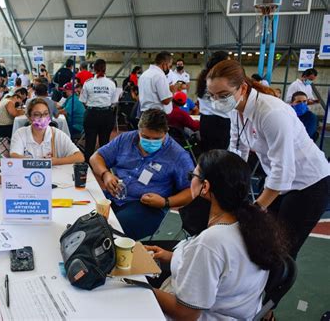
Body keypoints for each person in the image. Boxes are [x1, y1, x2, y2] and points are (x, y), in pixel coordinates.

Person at [206, 59, 330, 259]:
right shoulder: (236, 109)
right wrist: (226, 181)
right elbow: (237, 148)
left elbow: (284, 171)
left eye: (223, 95)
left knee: (282, 250)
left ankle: (271, 288)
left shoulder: (271, 113)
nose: (217, 101)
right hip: (279, 180)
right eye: (212, 96)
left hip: (309, 184)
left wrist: (257, 208)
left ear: (243, 88)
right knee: (261, 240)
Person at [146, 150, 288, 320]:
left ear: (205, 187)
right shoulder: (251, 224)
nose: (190, 181)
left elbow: (186, 313)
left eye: (193, 176)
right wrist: (172, 257)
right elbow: (223, 270)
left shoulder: (211, 242)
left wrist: (140, 288)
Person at [89, 109, 194, 240]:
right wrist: (105, 175)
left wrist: (165, 202)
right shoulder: (126, 139)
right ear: (138, 130)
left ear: (165, 133)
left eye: (156, 139)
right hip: (116, 195)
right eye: (145, 137)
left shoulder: (177, 155)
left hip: (148, 206)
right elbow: (95, 157)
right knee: (88, 217)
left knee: (112, 229)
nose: (150, 142)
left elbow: (191, 190)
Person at [10, 98, 84, 165]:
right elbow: (14, 156)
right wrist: (40, 162)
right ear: (29, 117)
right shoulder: (20, 133)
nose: (42, 118)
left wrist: (55, 161)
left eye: (45, 114)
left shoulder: (57, 134)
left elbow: (79, 157)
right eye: (37, 114)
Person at [80, 59, 117, 162]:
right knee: (104, 143)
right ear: (105, 69)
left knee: (89, 143)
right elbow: (114, 101)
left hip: (91, 114)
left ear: (94, 69)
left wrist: (91, 107)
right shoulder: (111, 83)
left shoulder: (88, 83)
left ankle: (87, 166)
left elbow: (83, 100)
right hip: (106, 115)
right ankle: (102, 165)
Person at [196, 50, 231, 152]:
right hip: (220, 122)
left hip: (206, 121)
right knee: (219, 156)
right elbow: (229, 103)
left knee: (208, 154)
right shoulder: (221, 79)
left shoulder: (203, 76)